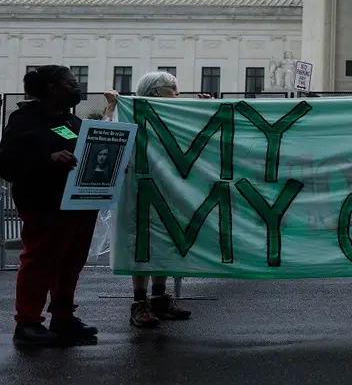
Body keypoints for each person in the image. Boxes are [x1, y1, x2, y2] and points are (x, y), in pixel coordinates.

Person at [0, 65, 100, 345]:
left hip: (79, 203)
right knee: (41, 262)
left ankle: (63, 317)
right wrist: (48, 159)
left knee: (71, 262)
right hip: (44, 203)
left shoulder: (72, 122)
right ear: (52, 88)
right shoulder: (24, 121)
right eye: (71, 83)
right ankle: (28, 323)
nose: (78, 87)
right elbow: (6, 163)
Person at [103, 71, 203, 328]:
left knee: (164, 242)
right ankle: (140, 301)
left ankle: (159, 296)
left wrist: (205, 109)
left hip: (167, 189)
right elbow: (107, 133)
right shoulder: (131, 112)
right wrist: (113, 105)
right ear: (155, 91)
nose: (177, 93)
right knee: (141, 243)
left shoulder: (175, 114)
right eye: (172, 88)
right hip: (138, 189)